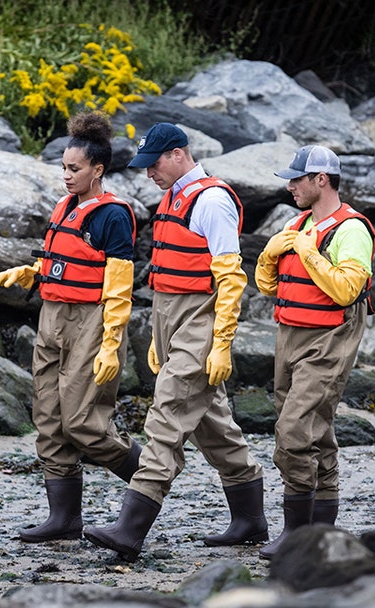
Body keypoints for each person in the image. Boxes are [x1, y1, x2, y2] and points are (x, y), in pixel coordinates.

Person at [84, 123, 266, 561]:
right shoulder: (173, 196)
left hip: (201, 322)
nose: (149, 173)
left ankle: (130, 529)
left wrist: (221, 342)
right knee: (213, 426)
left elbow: (229, 278)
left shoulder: (212, 200)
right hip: (172, 322)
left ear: (180, 154)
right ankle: (250, 521)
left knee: (166, 416)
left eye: (155, 164)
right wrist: (159, 338)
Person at [0, 111, 142, 543]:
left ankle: (148, 475)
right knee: (49, 418)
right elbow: (64, 259)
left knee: (81, 423)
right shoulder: (64, 206)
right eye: (63, 169)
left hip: (92, 319)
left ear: (98, 169)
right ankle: (64, 520)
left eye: (75, 169)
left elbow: (118, 285)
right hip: (52, 315)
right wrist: (30, 272)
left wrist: (111, 342)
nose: (67, 177)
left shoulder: (113, 216)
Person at [254, 145, 375, 559]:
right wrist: (270, 256)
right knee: (316, 431)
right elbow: (269, 287)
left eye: (296, 178)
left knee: (292, 431)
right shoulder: (297, 222)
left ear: (321, 180)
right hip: (291, 335)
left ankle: (296, 534)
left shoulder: (351, 229)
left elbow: (346, 289)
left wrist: (305, 250)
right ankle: (322, 534)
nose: (289, 185)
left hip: (330, 337)